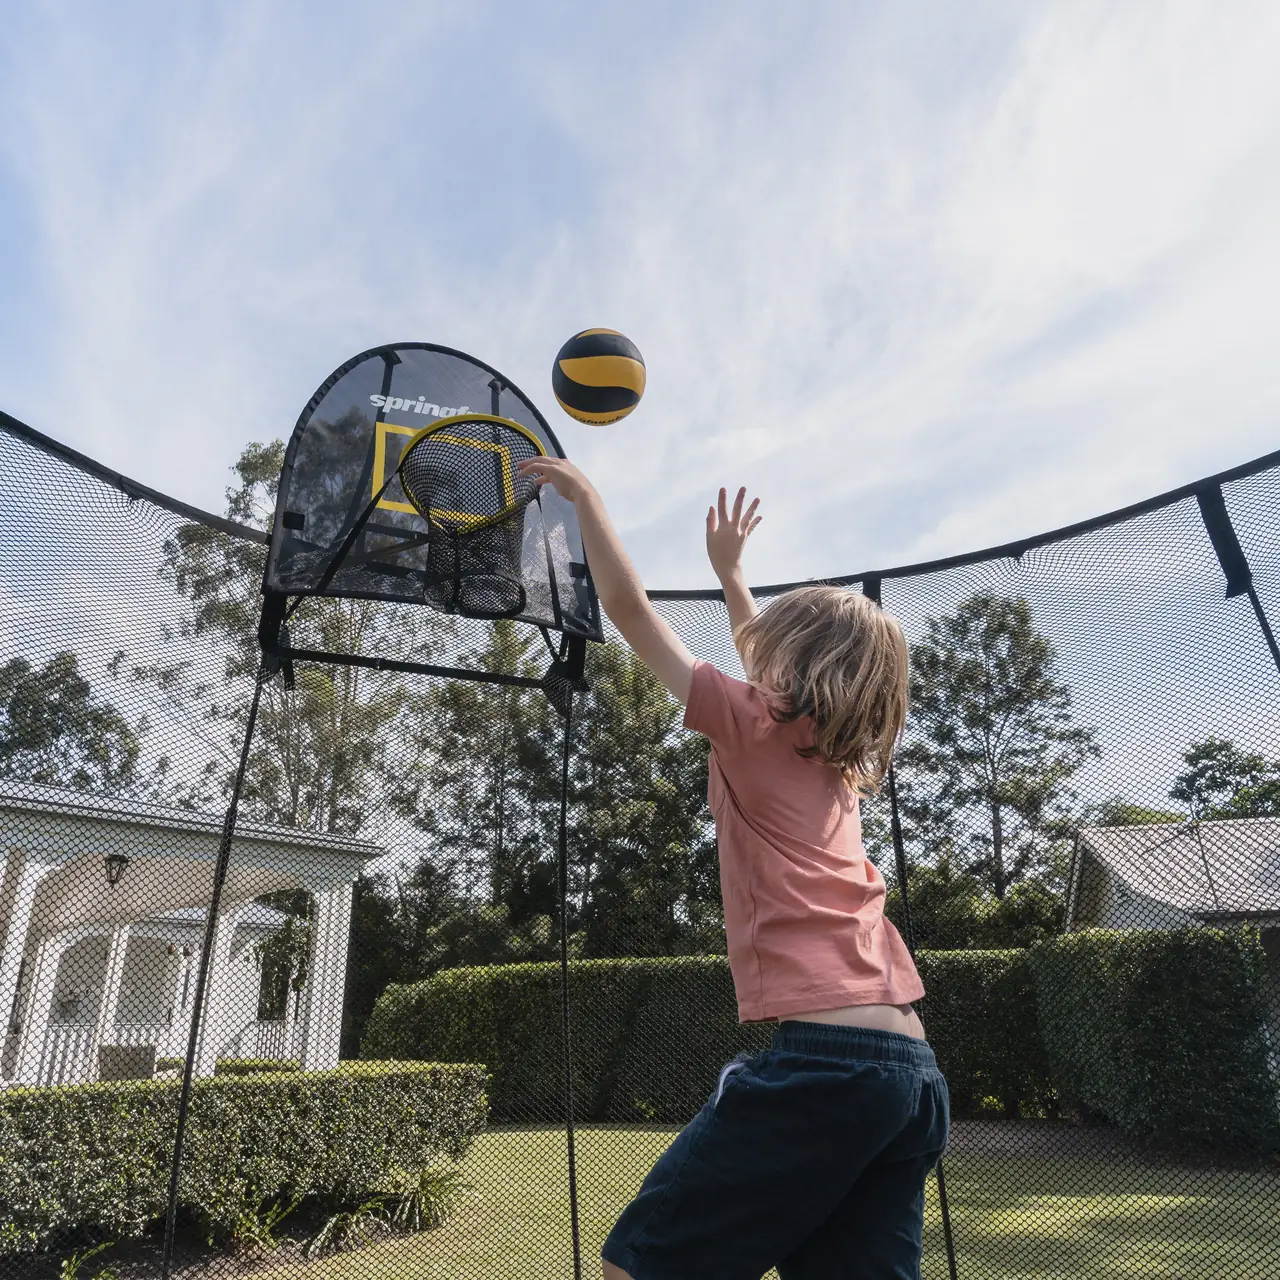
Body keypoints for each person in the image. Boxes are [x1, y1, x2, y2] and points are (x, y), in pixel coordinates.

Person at [517, 458, 951, 1280]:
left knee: (639, 1266)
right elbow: (767, 676)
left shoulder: (751, 724)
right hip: (910, 1077)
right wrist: (733, 577)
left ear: (793, 665)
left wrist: (587, 499)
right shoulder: (840, 767)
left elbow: (629, 610)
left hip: (826, 1067)